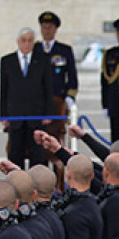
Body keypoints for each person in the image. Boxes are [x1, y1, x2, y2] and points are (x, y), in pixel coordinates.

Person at [0, 28, 52, 170]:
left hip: (36, 115)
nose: (27, 44)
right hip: (15, 116)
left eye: (30, 40)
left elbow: (48, 88)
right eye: (24, 40)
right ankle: (17, 182)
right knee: (15, 154)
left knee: (38, 155)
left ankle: (38, 182)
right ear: (18, 42)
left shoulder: (43, 60)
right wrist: (3, 115)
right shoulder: (7, 61)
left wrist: (48, 113)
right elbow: (4, 90)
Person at [37, 11, 79, 147]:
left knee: (56, 139)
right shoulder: (34, 49)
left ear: (55, 29)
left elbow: (72, 77)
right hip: (38, 102)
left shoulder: (64, 50)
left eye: (50, 27)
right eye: (44, 27)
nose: (47, 31)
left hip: (58, 100)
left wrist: (69, 97)